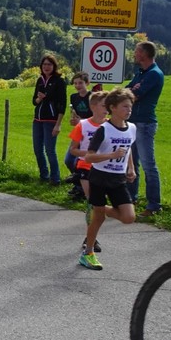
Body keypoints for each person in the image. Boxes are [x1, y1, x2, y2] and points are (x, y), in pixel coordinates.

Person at [79, 88, 138, 271]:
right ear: (112, 108)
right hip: (99, 177)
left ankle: (99, 208)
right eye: (125, 106)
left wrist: (131, 168)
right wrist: (111, 155)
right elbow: (89, 157)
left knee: (129, 217)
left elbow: (128, 148)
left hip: (118, 178)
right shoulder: (104, 130)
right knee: (98, 219)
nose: (129, 110)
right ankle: (88, 253)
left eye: (130, 106)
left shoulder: (132, 128)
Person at [126, 41, 164, 217]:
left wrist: (130, 92)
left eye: (137, 51)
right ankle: (130, 199)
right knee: (132, 163)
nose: (135, 54)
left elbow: (135, 95)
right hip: (134, 123)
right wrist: (129, 91)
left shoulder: (154, 74)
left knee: (149, 165)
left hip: (144, 124)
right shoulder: (141, 73)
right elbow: (128, 90)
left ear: (144, 54)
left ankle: (154, 205)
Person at [68, 90, 108, 253]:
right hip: (85, 167)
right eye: (104, 105)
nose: (107, 109)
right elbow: (73, 149)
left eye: (109, 105)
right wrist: (90, 154)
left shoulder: (110, 125)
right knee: (92, 202)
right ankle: (90, 238)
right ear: (93, 107)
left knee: (100, 206)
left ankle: (91, 236)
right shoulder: (83, 125)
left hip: (104, 169)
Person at [32, 54, 66, 185]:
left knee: (50, 150)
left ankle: (55, 179)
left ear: (54, 66)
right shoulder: (40, 80)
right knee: (37, 150)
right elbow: (34, 101)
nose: (46, 67)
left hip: (51, 120)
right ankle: (43, 176)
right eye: (44, 64)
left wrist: (58, 124)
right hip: (38, 120)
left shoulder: (59, 81)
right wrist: (39, 99)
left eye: (49, 64)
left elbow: (62, 104)